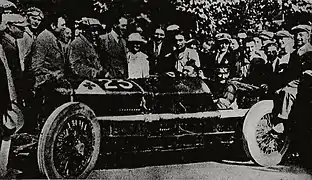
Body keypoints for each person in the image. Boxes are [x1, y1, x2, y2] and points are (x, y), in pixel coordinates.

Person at [29, 13, 69, 130]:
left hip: (52, 88)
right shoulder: (44, 39)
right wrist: (54, 75)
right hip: (45, 89)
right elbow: (35, 67)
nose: (65, 28)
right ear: (53, 25)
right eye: (63, 25)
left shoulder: (52, 38)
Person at [273, 25, 312, 133]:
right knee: (279, 92)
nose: (298, 37)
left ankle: (282, 120)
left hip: (306, 83)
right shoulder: (294, 54)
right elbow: (290, 73)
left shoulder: (310, 52)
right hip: (296, 82)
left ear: (308, 36)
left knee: (288, 92)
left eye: (301, 35)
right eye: (296, 35)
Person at [0, 14, 27, 107]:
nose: (23, 31)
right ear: (10, 27)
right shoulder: (7, 45)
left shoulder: (11, 42)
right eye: (21, 28)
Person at [17, 7, 44, 72]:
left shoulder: (33, 34)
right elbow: (21, 56)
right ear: (27, 17)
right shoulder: (23, 34)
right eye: (34, 18)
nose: (36, 22)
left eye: (39, 20)